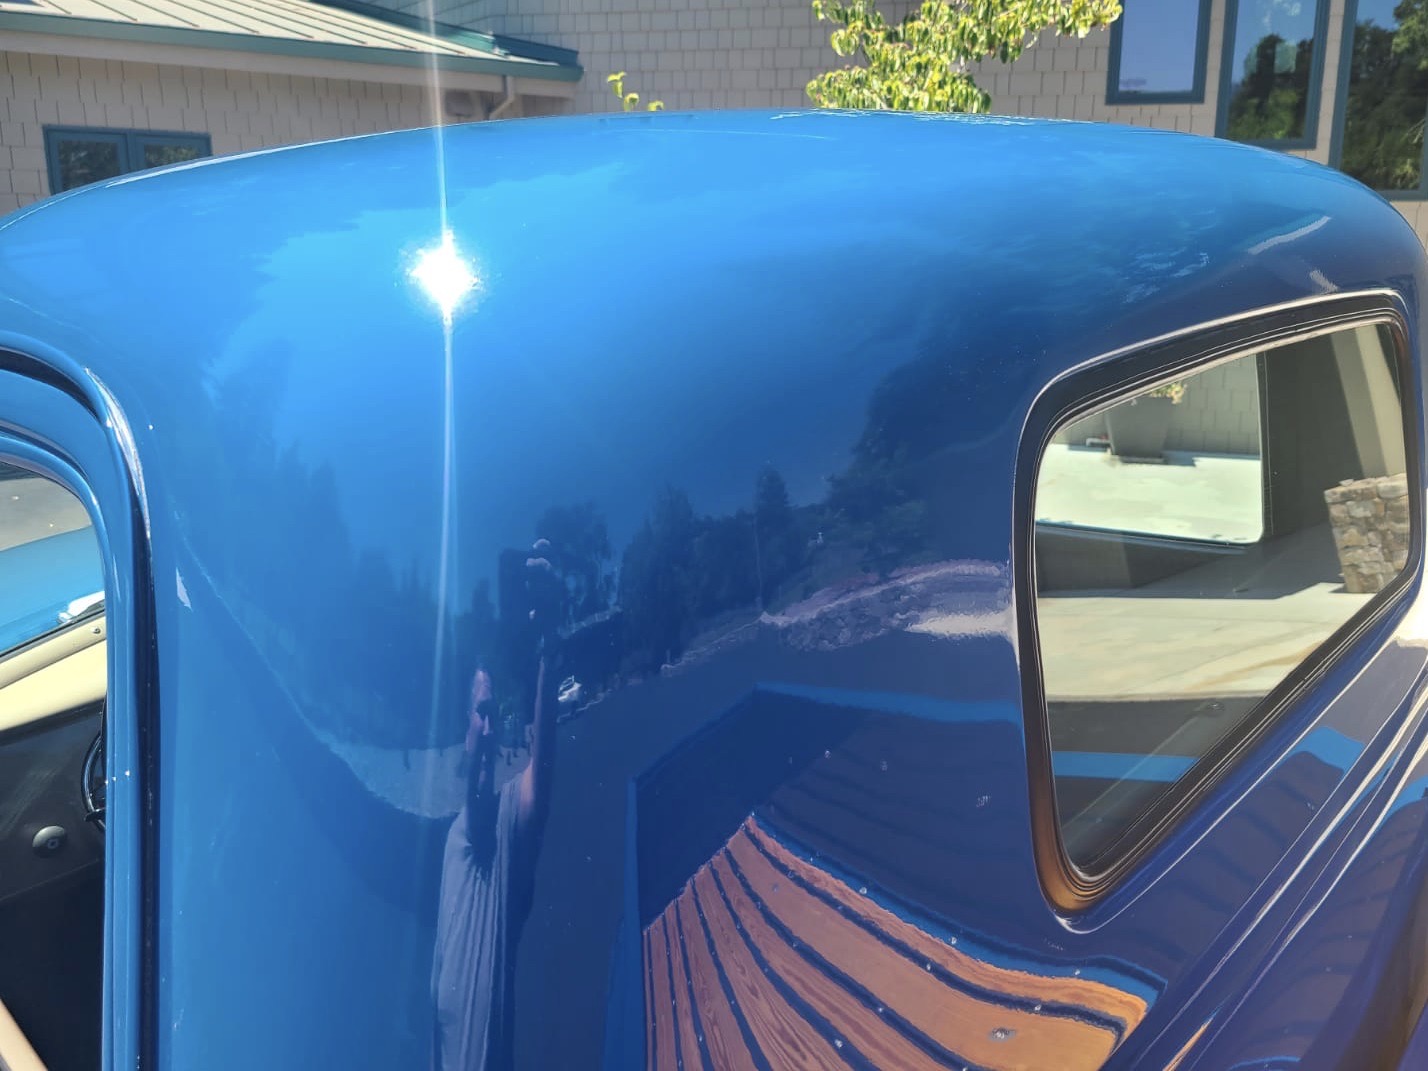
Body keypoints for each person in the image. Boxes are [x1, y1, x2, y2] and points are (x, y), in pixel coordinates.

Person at [431, 541, 566, 1070]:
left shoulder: (503, 825)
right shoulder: (453, 842)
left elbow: (541, 778)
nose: (488, 729)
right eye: (480, 713)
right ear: (464, 727)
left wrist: (549, 648)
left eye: (495, 715)